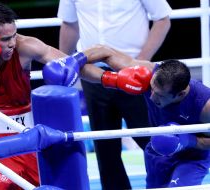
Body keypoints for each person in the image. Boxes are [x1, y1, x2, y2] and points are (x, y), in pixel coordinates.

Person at [0, 2, 104, 190]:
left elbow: (69, 64)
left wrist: (108, 79)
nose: (12, 43)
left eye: (14, 35)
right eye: (5, 39)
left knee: (47, 184)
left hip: (28, 134)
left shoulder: (26, 46)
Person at [57, 0, 172, 189]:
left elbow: (162, 19)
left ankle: (166, 186)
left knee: (150, 139)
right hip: (93, 73)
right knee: (105, 147)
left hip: (136, 74)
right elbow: (70, 24)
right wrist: (62, 65)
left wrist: (140, 62)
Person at [81, 44, 210, 188]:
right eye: (152, 89)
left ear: (180, 94)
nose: (152, 97)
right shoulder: (148, 73)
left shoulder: (205, 105)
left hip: (192, 158)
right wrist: (74, 60)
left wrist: (189, 140)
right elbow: (104, 51)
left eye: (160, 95)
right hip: (157, 151)